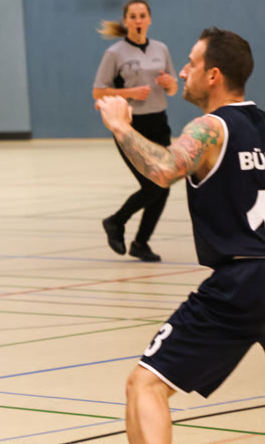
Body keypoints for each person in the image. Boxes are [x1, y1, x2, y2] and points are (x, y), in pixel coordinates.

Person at [96, 27, 265, 443]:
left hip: (241, 283)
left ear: (214, 75)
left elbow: (164, 169)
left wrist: (120, 127)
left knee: (145, 385)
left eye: (192, 63)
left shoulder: (210, 128)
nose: (184, 71)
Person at [93, 0, 178, 262]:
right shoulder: (115, 53)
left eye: (142, 15)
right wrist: (130, 92)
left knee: (164, 185)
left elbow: (173, 89)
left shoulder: (161, 49)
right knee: (153, 186)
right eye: (133, 16)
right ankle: (116, 221)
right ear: (126, 21)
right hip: (130, 126)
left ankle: (140, 243)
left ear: (149, 19)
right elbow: (98, 91)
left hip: (159, 124)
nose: (138, 20)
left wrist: (169, 83)